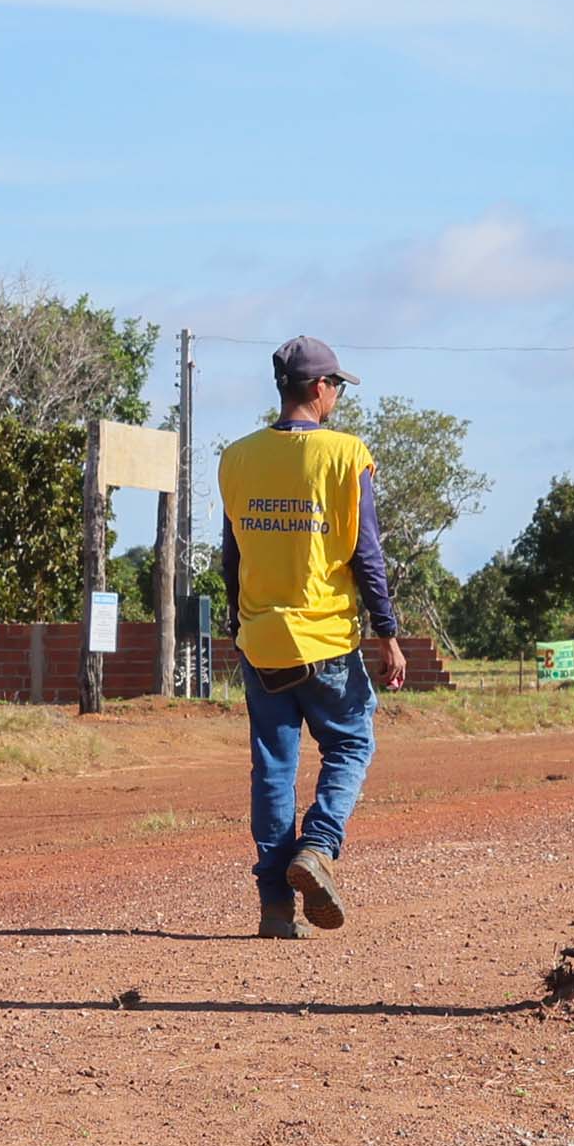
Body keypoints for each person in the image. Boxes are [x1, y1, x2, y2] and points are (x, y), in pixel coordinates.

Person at [214, 333, 396, 938]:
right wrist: (388, 633)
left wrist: (240, 626)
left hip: (261, 641)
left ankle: (273, 908)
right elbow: (366, 555)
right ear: (320, 389)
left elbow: (231, 555)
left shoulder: (236, 458)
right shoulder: (346, 456)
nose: (338, 395)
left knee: (272, 767)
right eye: (338, 385)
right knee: (350, 746)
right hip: (326, 644)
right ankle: (317, 848)